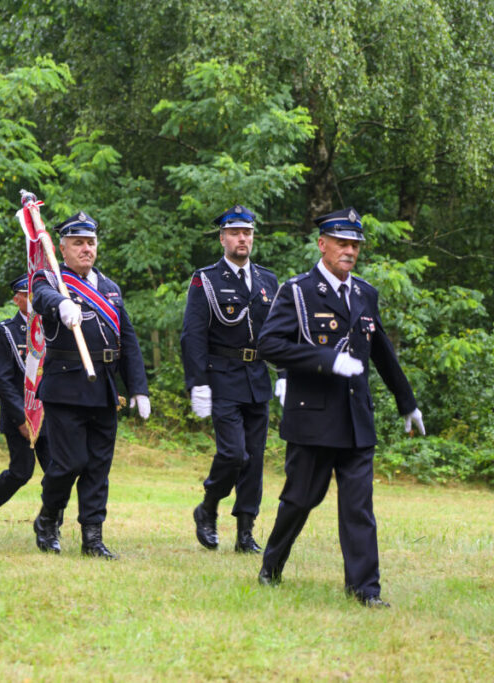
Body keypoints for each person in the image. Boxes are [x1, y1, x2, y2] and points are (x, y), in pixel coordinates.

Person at [256, 207, 425, 608]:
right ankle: (272, 565)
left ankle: (365, 590)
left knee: (358, 509)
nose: (349, 251)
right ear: (322, 244)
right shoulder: (297, 291)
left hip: (355, 420)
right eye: (342, 243)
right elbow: (269, 345)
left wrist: (407, 402)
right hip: (312, 418)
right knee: (300, 500)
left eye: (355, 245)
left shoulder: (365, 293)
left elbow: (381, 350)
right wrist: (326, 359)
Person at [30, 211, 150, 558]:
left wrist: (138, 387)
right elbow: (41, 298)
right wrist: (61, 303)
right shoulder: (50, 280)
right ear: (62, 248)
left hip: (103, 390)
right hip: (66, 387)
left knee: (98, 466)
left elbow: (128, 340)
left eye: (91, 242)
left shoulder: (110, 288)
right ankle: (49, 517)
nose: (86, 249)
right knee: (69, 464)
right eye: (78, 243)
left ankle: (92, 537)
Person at [180, 205, 283, 553]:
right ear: (222, 237)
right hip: (222, 378)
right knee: (234, 453)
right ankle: (208, 507)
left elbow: (280, 332)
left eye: (248, 232)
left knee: (254, 458)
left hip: (257, 380)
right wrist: (197, 382)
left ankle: (245, 531)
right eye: (236, 233)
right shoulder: (206, 279)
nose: (243, 238)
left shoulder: (268, 280)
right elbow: (192, 335)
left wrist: (284, 373)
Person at [0, 274, 51, 535]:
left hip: (49, 413)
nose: (32, 300)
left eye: (36, 294)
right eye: (26, 295)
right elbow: (2, 380)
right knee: (22, 472)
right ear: (16, 298)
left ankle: (50, 525)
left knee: (57, 472)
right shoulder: (5, 331)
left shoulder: (50, 329)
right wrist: (21, 419)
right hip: (19, 416)